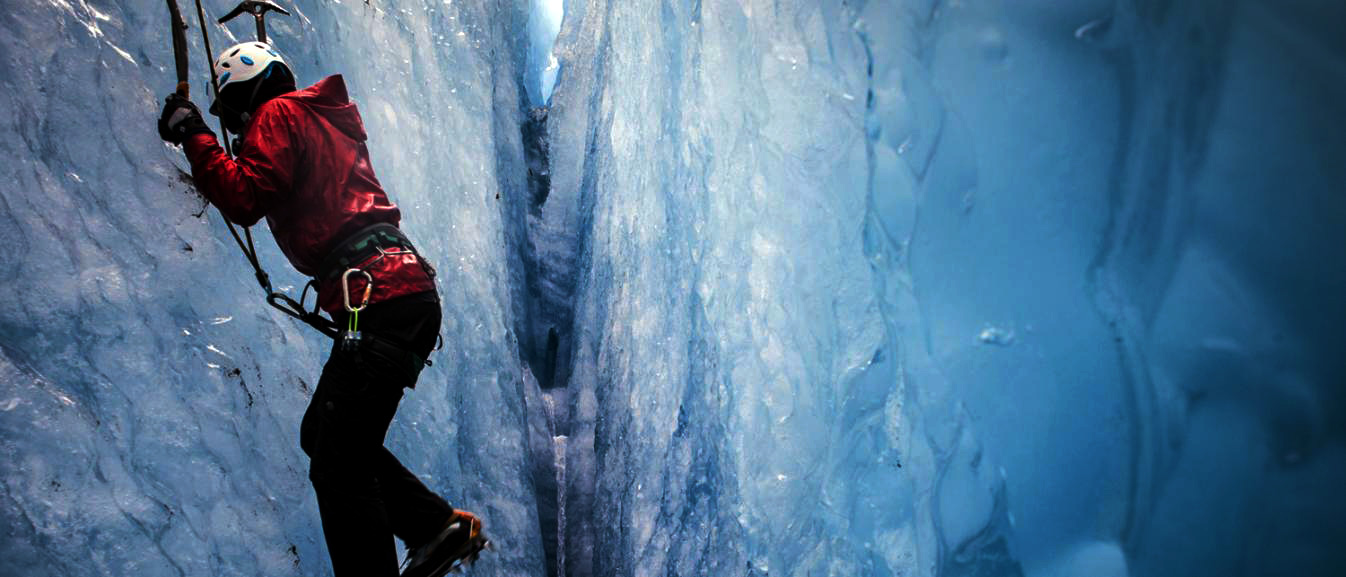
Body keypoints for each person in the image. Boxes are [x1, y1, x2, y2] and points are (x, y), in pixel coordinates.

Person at [157, 41, 487, 577]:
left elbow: (244, 196)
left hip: (376, 296)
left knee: (338, 463)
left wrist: (193, 132)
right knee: (327, 437)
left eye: (233, 111)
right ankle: (433, 526)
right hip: (397, 293)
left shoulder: (278, 112)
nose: (238, 127)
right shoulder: (315, 119)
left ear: (248, 90)